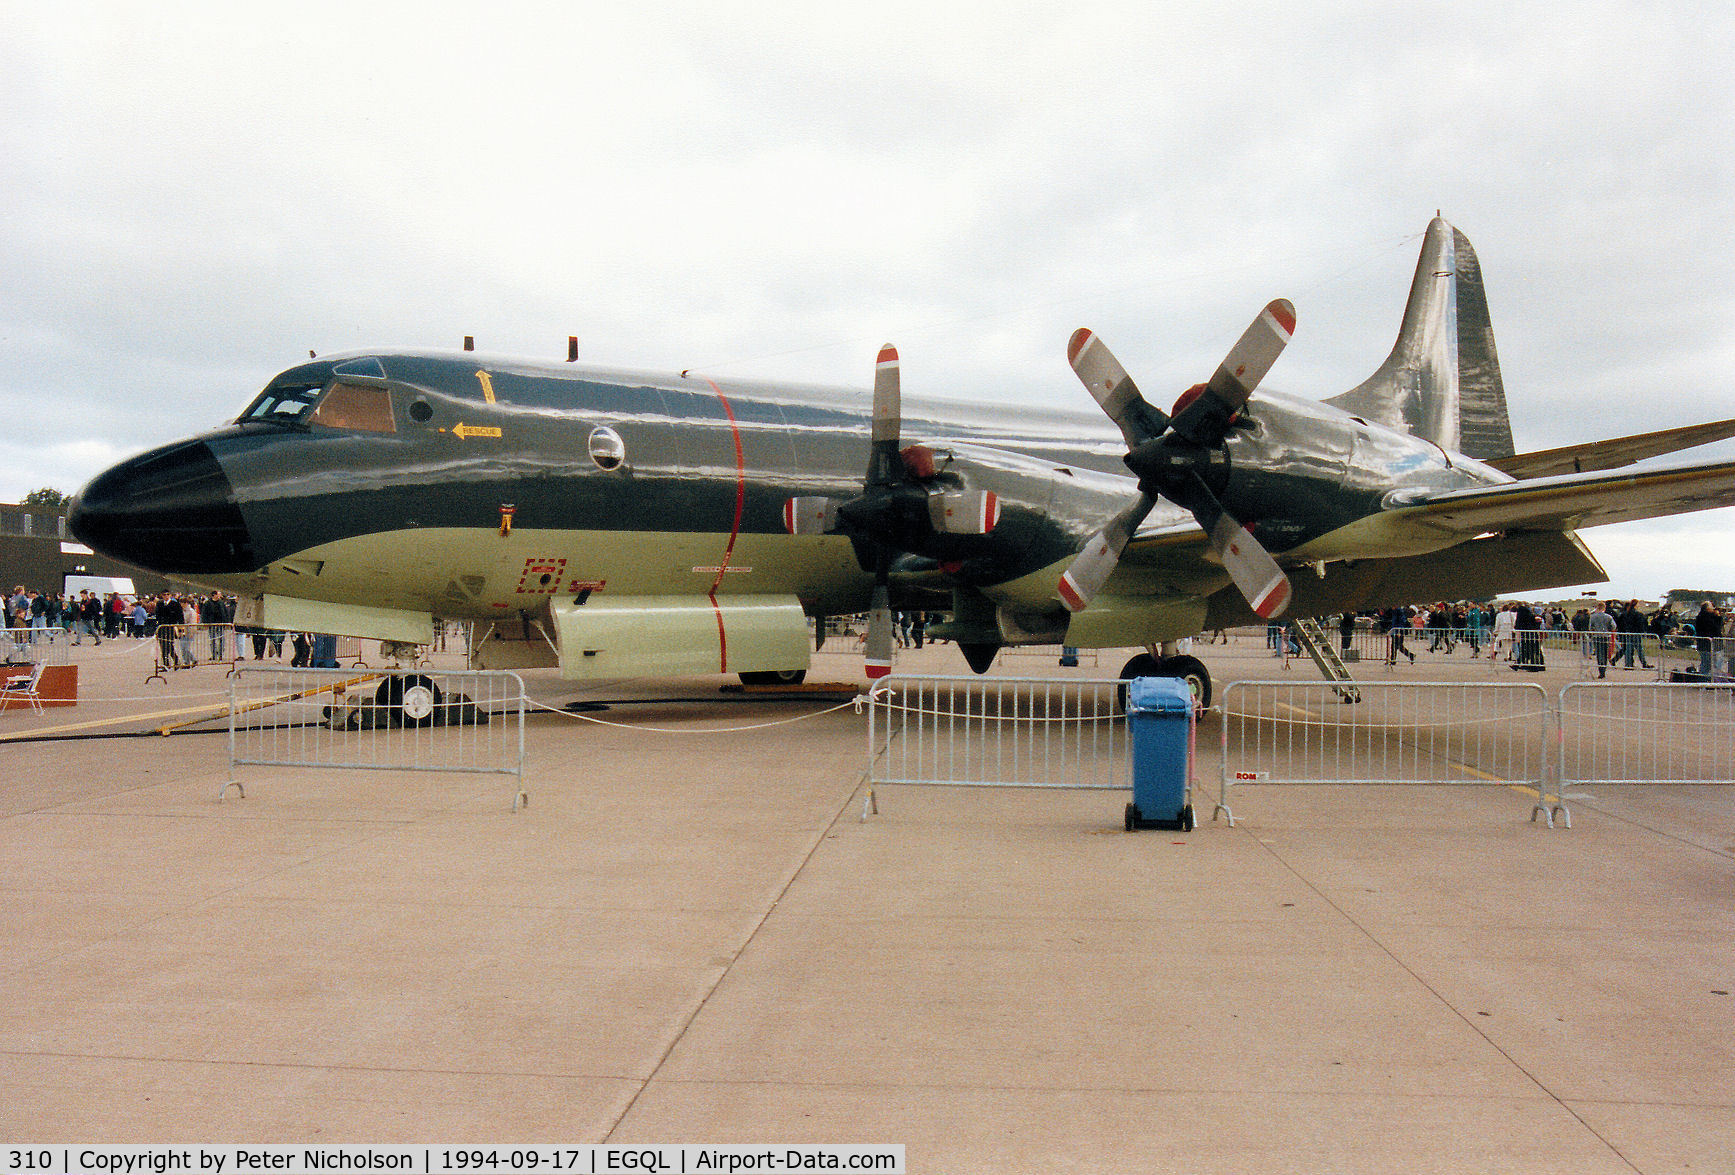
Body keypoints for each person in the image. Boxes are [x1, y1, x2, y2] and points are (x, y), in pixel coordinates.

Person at [1617, 600, 1652, 670]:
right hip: (1635, 633)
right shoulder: (1638, 614)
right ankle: (1644, 664)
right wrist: (1642, 631)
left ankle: (1628, 664)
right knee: (1639, 649)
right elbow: (1640, 624)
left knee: (1628, 649)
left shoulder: (1626, 613)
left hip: (1628, 632)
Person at [1586, 602, 1616, 678]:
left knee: (1599, 654)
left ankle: (1601, 670)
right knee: (1605, 653)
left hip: (1597, 636)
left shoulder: (1592, 617)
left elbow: (1590, 627)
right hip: (1606, 636)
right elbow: (1613, 626)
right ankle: (1604, 669)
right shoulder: (1608, 617)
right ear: (1604, 608)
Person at [1693, 600, 1722, 679]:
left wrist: (1717, 617)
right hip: (1707, 645)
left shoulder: (1704, 616)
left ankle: (1708, 680)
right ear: (1707, 608)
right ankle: (1705, 681)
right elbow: (1715, 628)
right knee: (1707, 664)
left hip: (1709, 645)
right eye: (1711, 606)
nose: (1713, 608)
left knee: (1707, 663)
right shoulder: (1704, 617)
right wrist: (1717, 617)